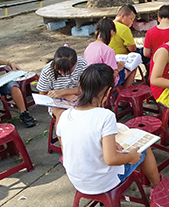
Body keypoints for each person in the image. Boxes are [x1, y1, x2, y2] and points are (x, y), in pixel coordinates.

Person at [57, 63, 161, 195]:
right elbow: (111, 159)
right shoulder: (105, 116)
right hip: (102, 182)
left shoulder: (65, 115)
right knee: (145, 148)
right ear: (107, 92)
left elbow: (67, 146)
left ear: (81, 87)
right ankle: (157, 187)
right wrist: (131, 157)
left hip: (77, 180)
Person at [37, 46, 88, 147]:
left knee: (93, 109)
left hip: (80, 97)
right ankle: (65, 148)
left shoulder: (82, 64)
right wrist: (64, 96)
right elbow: (42, 95)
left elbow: (86, 87)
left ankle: (88, 141)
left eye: (66, 71)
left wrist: (64, 92)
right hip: (56, 102)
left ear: (75, 65)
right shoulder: (48, 71)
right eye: (58, 70)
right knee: (62, 116)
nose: (61, 73)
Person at [85, 18, 135, 88]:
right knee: (132, 68)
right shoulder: (108, 50)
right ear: (112, 33)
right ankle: (124, 92)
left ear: (96, 31)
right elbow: (111, 75)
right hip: (105, 82)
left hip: (93, 80)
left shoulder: (89, 47)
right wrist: (119, 68)